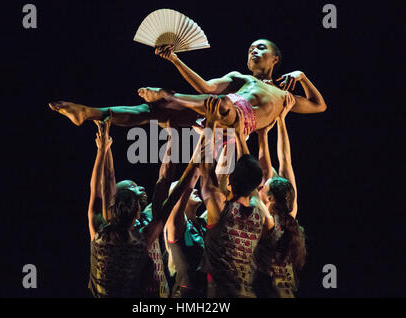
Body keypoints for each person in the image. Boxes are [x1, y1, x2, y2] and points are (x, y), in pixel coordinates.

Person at [49, 39, 326, 133]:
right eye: (250, 48)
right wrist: (175, 60)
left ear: (275, 58)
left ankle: (171, 95)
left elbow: (319, 105)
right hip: (218, 112)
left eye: (261, 48)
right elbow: (205, 86)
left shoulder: (284, 94)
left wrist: (301, 76)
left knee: (222, 104)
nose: (253, 51)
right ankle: (89, 112)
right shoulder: (239, 78)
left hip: (238, 121)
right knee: (154, 110)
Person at [87, 117, 199, 297]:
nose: (139, 187)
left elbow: (100, 188)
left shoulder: (104, 233)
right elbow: (107, 184)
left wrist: (103, 149)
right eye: (132, 188)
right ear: (135, 209)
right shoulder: (143, 237)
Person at [198, 96, 274, 298]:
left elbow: (204, 168)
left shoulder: (219, 210)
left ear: (230, 182)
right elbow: (253, 175)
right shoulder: (259, 215)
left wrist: (211, 122)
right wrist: (239, 137)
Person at [253, 99, 307, 298]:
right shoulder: (291, 212)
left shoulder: (264, 220)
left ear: (269, 198)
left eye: (261, 187)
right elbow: (286, 160)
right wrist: (281, 120)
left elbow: (267, 171)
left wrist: (262, 134)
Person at [163, 159, 207, 297]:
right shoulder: (176, 225)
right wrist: (204, 147)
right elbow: (190, 181)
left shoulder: (201, 222)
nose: (194, 189)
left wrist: (226, 145)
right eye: (188, 191)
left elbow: (219, 186)